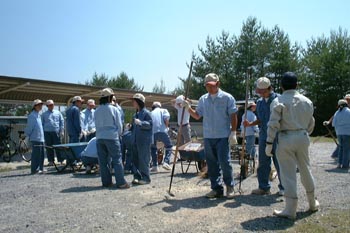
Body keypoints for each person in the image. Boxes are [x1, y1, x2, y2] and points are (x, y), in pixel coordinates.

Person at [266, 72, 319, 220]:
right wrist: (303, 133)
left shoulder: (277, 101)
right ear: (297, 85)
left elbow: (273, 124)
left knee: (288, 173)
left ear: (281, 86)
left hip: (285, 137)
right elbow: (311, 123)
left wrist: (269, 143)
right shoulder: (307, 101)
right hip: (302, 136)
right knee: (305, 169)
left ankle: (290, 209)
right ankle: (312, 203)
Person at [183, 73, 238, 199]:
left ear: (218, 84)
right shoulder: (203, 99)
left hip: (223, 135)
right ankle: (216, 188)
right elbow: (197, 115)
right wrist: (188, 108)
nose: (210, 88)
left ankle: (230, 186)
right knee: (212, 164)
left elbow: (233, 115)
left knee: (225, 163)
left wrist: (233, 132)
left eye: (212, 85)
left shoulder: (227, 97)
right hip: (208, 136)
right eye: (207, 86)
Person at [243, 77, 284, 196]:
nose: (261, 94)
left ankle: (284, 187)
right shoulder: (260, 102)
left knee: (279, 162)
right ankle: (264, 187)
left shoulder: (279, 99)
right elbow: (261, 119)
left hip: (277, 136)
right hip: (263, 136)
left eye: (264, 91)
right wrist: (250, 124)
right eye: (259, 91)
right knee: (263, 162)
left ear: (270, 88)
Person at [94, 88, 129, 189]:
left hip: (99, 137)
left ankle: (106, 182)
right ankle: (121, 182)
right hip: (112, 137)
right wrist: (118, 135)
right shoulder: (114, 109)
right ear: (109, 97)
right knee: (117, 159)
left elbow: (96, 124)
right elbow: (119, 124)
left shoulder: (96, 110)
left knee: (103, 161)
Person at [130, 93, 153, 185]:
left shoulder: (147, 113)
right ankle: (137, 176)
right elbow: (134, 127)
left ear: (139, 102)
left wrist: (141, 123)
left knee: (143, 159)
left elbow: (150, 125)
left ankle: (146, 178)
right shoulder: (135, 114)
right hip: (135, 140)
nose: (133, 102)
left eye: (134, 101)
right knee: (135, 159)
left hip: (144, 141)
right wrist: (130, 127)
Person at [150, 101, 173, 172]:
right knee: (169, 146)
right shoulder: (163, 110)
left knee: (153, 148)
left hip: (153, 132)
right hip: (162, 130)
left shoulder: (150, 113)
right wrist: (167, 127)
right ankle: (166, 162)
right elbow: (166, 119)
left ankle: (155, 166)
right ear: (160, 106)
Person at [25, 99, 45, 174]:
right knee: (36, 154)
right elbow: (30, 127)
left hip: (41, 138)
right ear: (34, 106)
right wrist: (27, 136)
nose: (40, 106)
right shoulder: (32, 116)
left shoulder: (38, 115)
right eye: (39, 105)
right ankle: (34, 169)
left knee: (41, 154)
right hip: (35, 138)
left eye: (41, 105)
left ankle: (41, 168)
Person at [41, 99, 65, 166]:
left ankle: (61, 160)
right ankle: (51, 161)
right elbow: (42, 124)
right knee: (49, 147)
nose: (52, 106)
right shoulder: (44, 114)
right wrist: (42, 133)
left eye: (52, 105)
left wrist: (62, 130)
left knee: (58, 147)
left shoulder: (58, 112)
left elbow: (61, 121)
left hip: (56, 132)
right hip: (47, 132)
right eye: (50, 105)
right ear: (47, 106)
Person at [332, 99, 350, 169]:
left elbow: (333, 124)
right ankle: (345, 165)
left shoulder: (337, 113)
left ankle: (339, 163)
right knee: (347, 149)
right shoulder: (349, 112)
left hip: (339, 133)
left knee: (340, 148)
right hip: (348, 133)